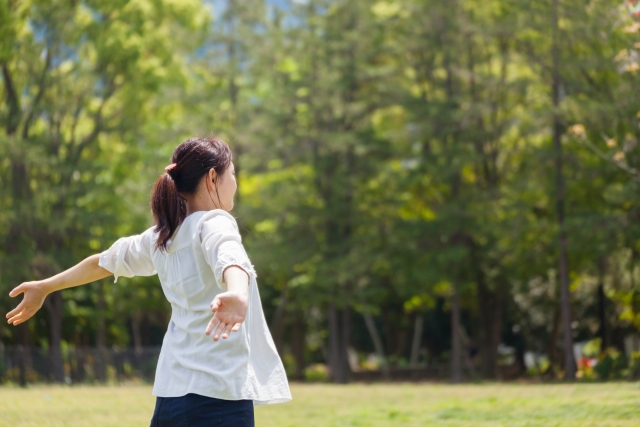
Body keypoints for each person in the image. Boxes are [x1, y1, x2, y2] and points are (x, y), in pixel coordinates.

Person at [5, 136, 292, 426]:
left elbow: (102, 262)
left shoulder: (162, 237)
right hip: (218, 397)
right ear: (212, 178)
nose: (236, 182)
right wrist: (238, 293)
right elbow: (230, 256)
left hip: (170, 399)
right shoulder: (214, 222)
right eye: (232, 174)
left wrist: (45, 286)